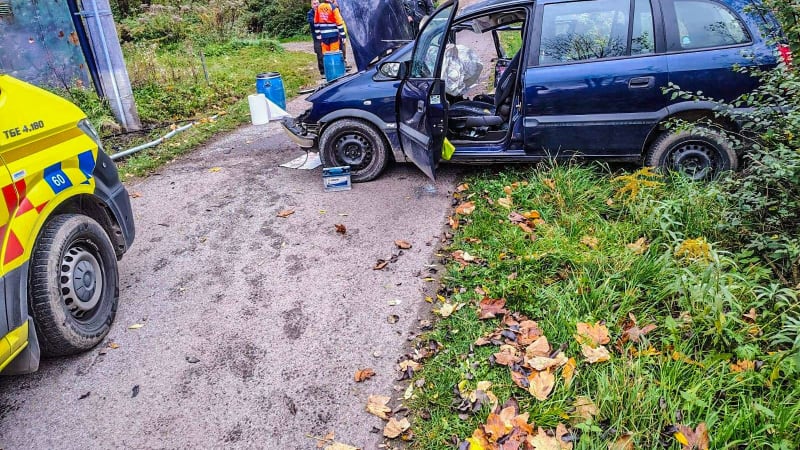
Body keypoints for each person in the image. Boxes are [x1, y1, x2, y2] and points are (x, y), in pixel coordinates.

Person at [307, 0, 325, 76]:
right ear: (311, 5)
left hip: (325, 35)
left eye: (317, 3)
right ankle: (322, 71)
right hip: (316, 37)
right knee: (319, 53)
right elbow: (312, 22)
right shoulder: (310, 13)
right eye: (314, 4)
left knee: (328, 52)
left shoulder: (323, 10)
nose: (316, 5)